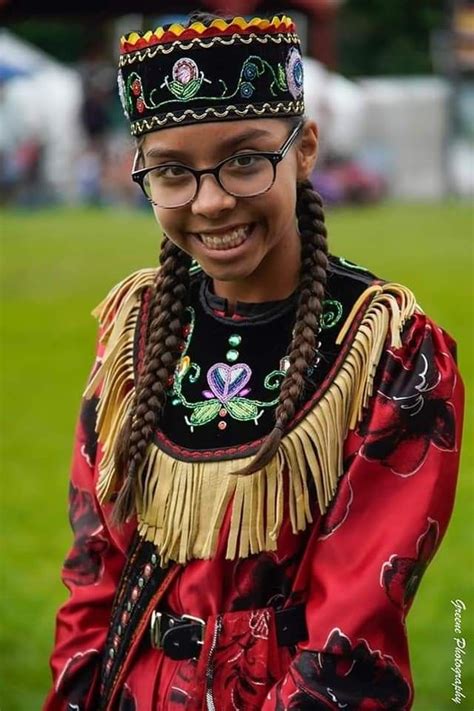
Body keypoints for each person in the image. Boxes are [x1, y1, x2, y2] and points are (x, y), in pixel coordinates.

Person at [44, 12, 464, 711]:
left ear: (304, 151)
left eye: (244, 160)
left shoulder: (390, 348)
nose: (210, 202)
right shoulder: (132, 330)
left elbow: (351, 637)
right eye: (173, 172)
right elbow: (92, 577)